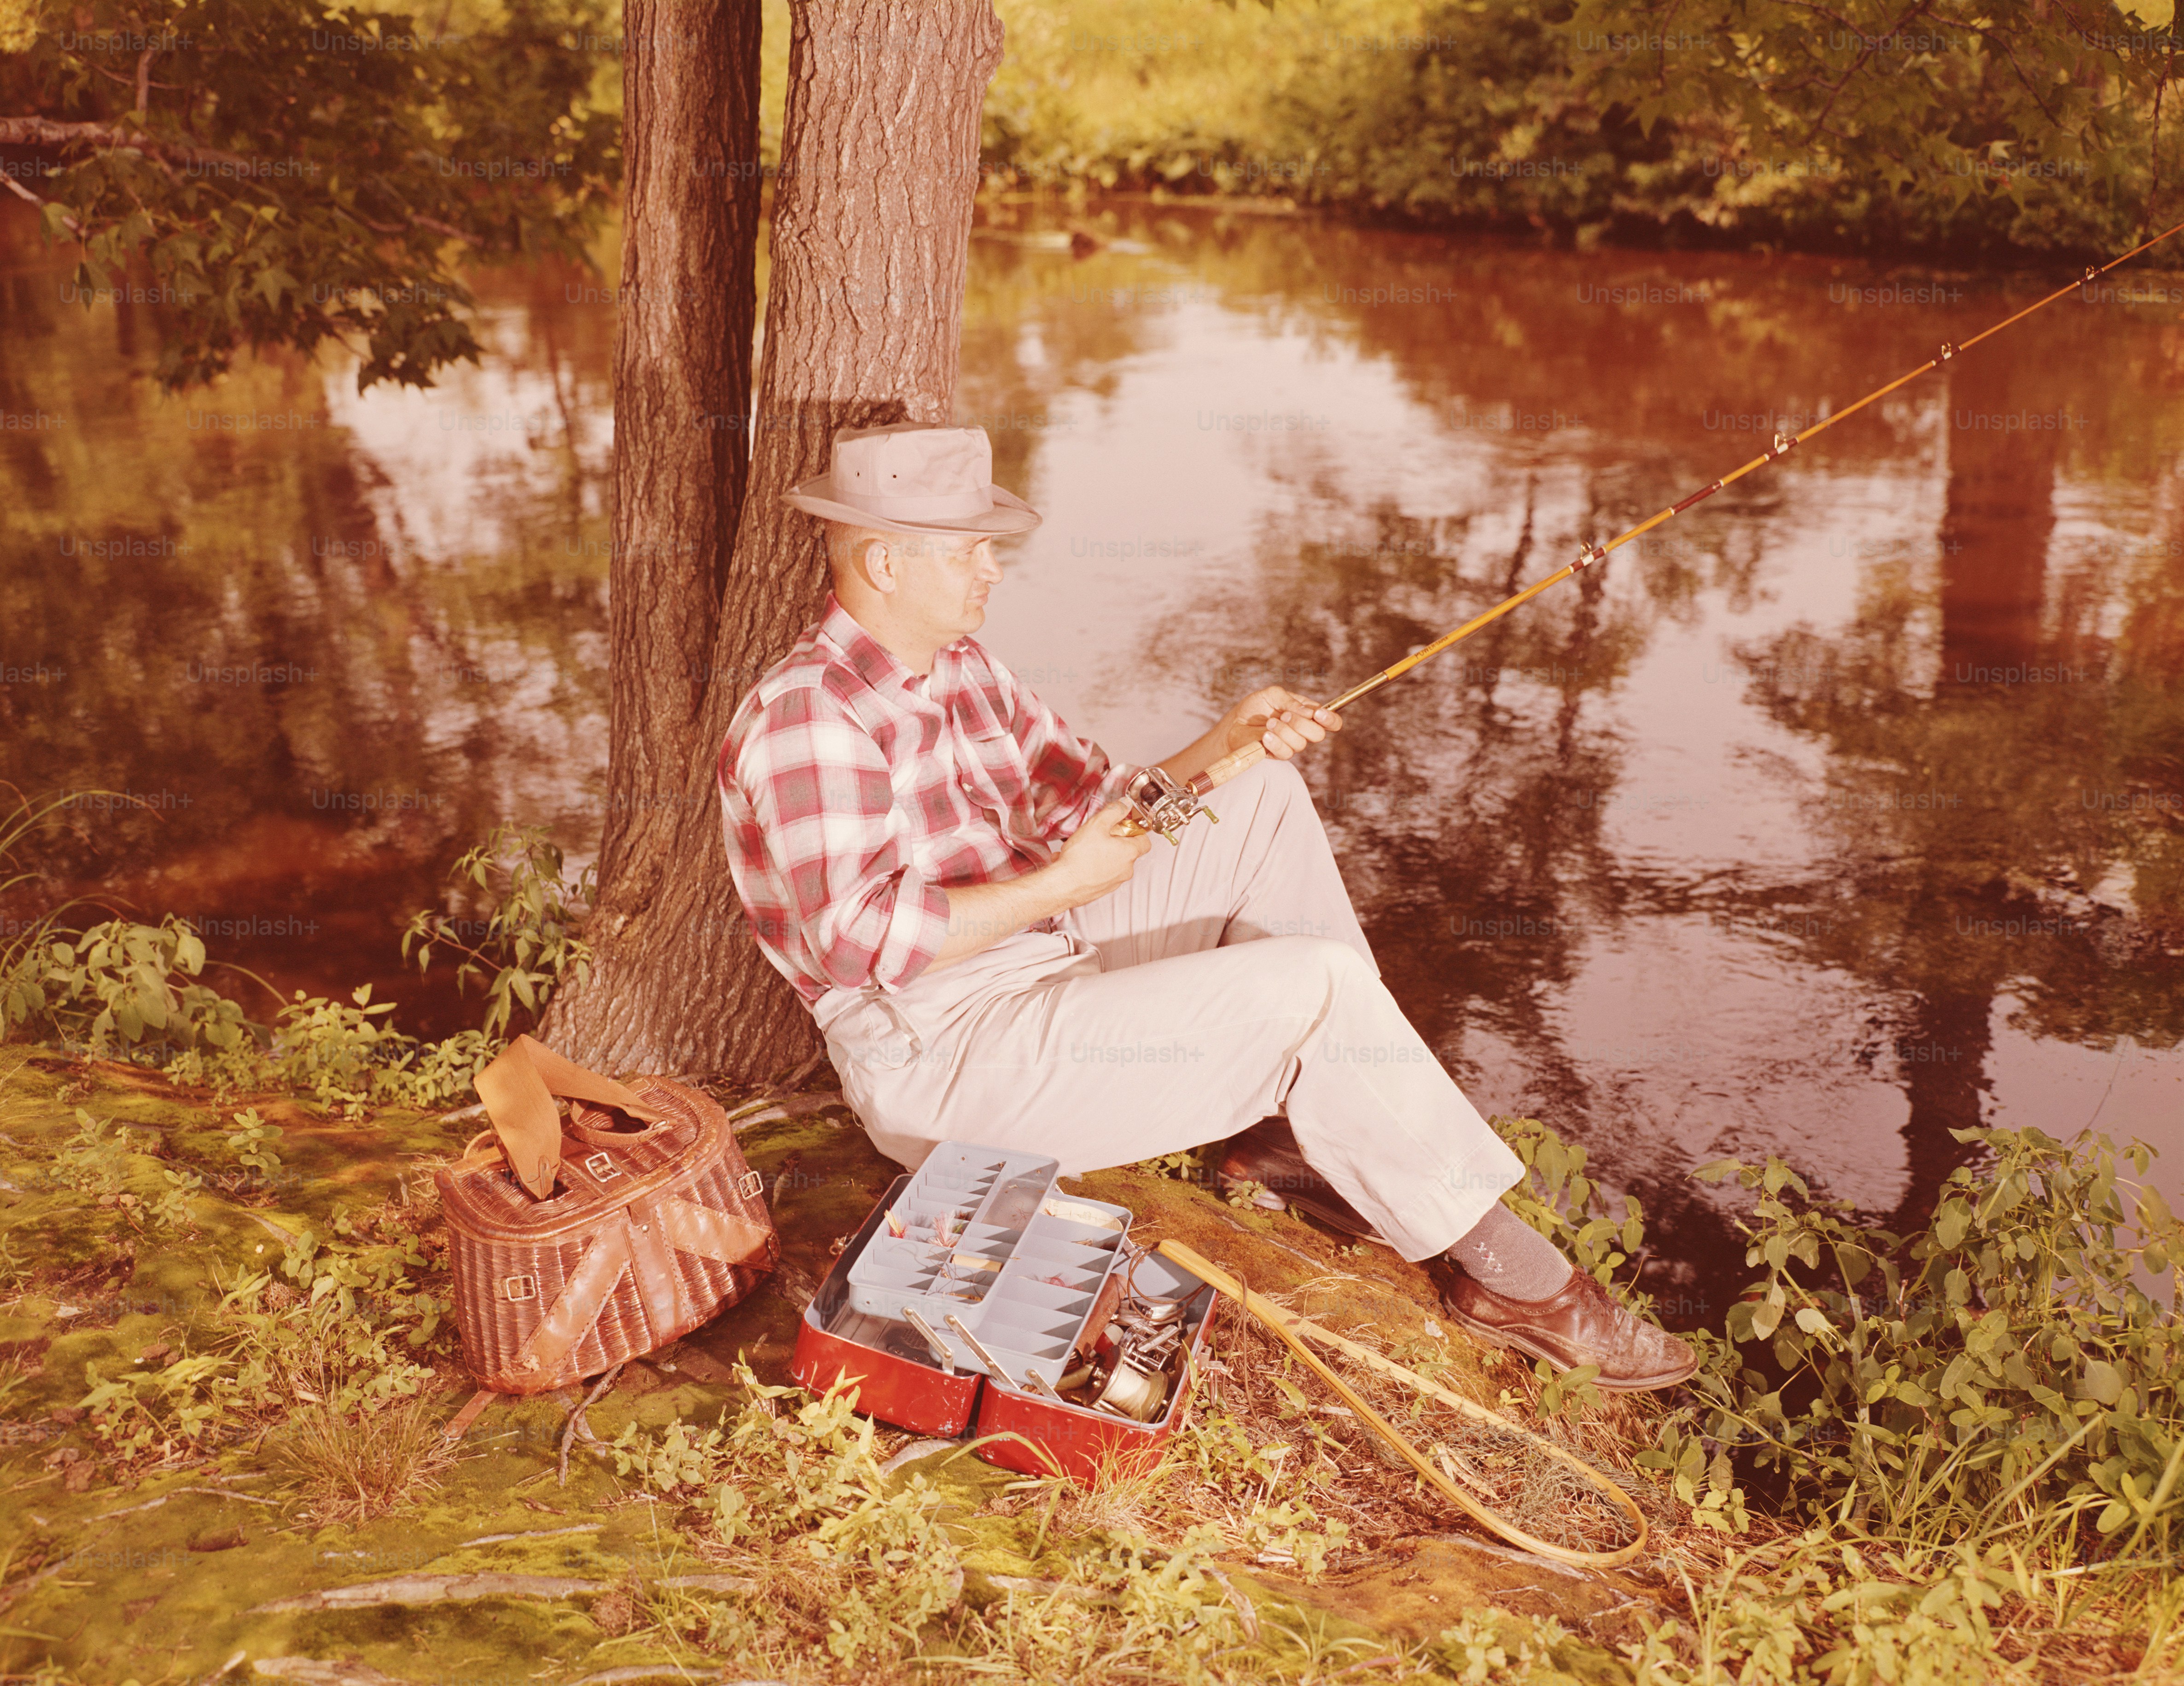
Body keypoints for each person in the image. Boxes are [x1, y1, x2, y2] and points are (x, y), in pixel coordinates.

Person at [717, 422, 1695, 1391]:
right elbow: (858, 939)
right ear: (884, 563)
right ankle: (1514, 1279)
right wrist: (1061, 887)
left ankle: (1292, 1135)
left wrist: (1226, 742)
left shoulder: (958, 667)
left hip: (1037, 954)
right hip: (944, 1055)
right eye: (969, 549)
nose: (993, 569)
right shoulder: (810, 716)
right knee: (1314, 988)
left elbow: (1090, 800)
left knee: (1260, 798)